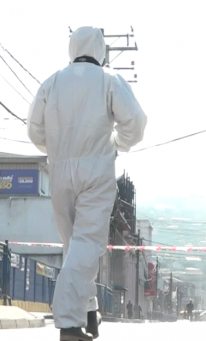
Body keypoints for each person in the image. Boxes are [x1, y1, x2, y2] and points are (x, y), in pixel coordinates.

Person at [28, 27, 147, 341]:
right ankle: (69, 323)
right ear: (101, 51)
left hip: (59, 172)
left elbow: (34, 130)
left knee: (75, 247)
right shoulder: (109, 80)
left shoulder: (51, 82)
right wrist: (117, 142)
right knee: (86, 247)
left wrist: (57, 148)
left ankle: (90, 313)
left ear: (72, 49)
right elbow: (135, 124)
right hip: (96, 171)